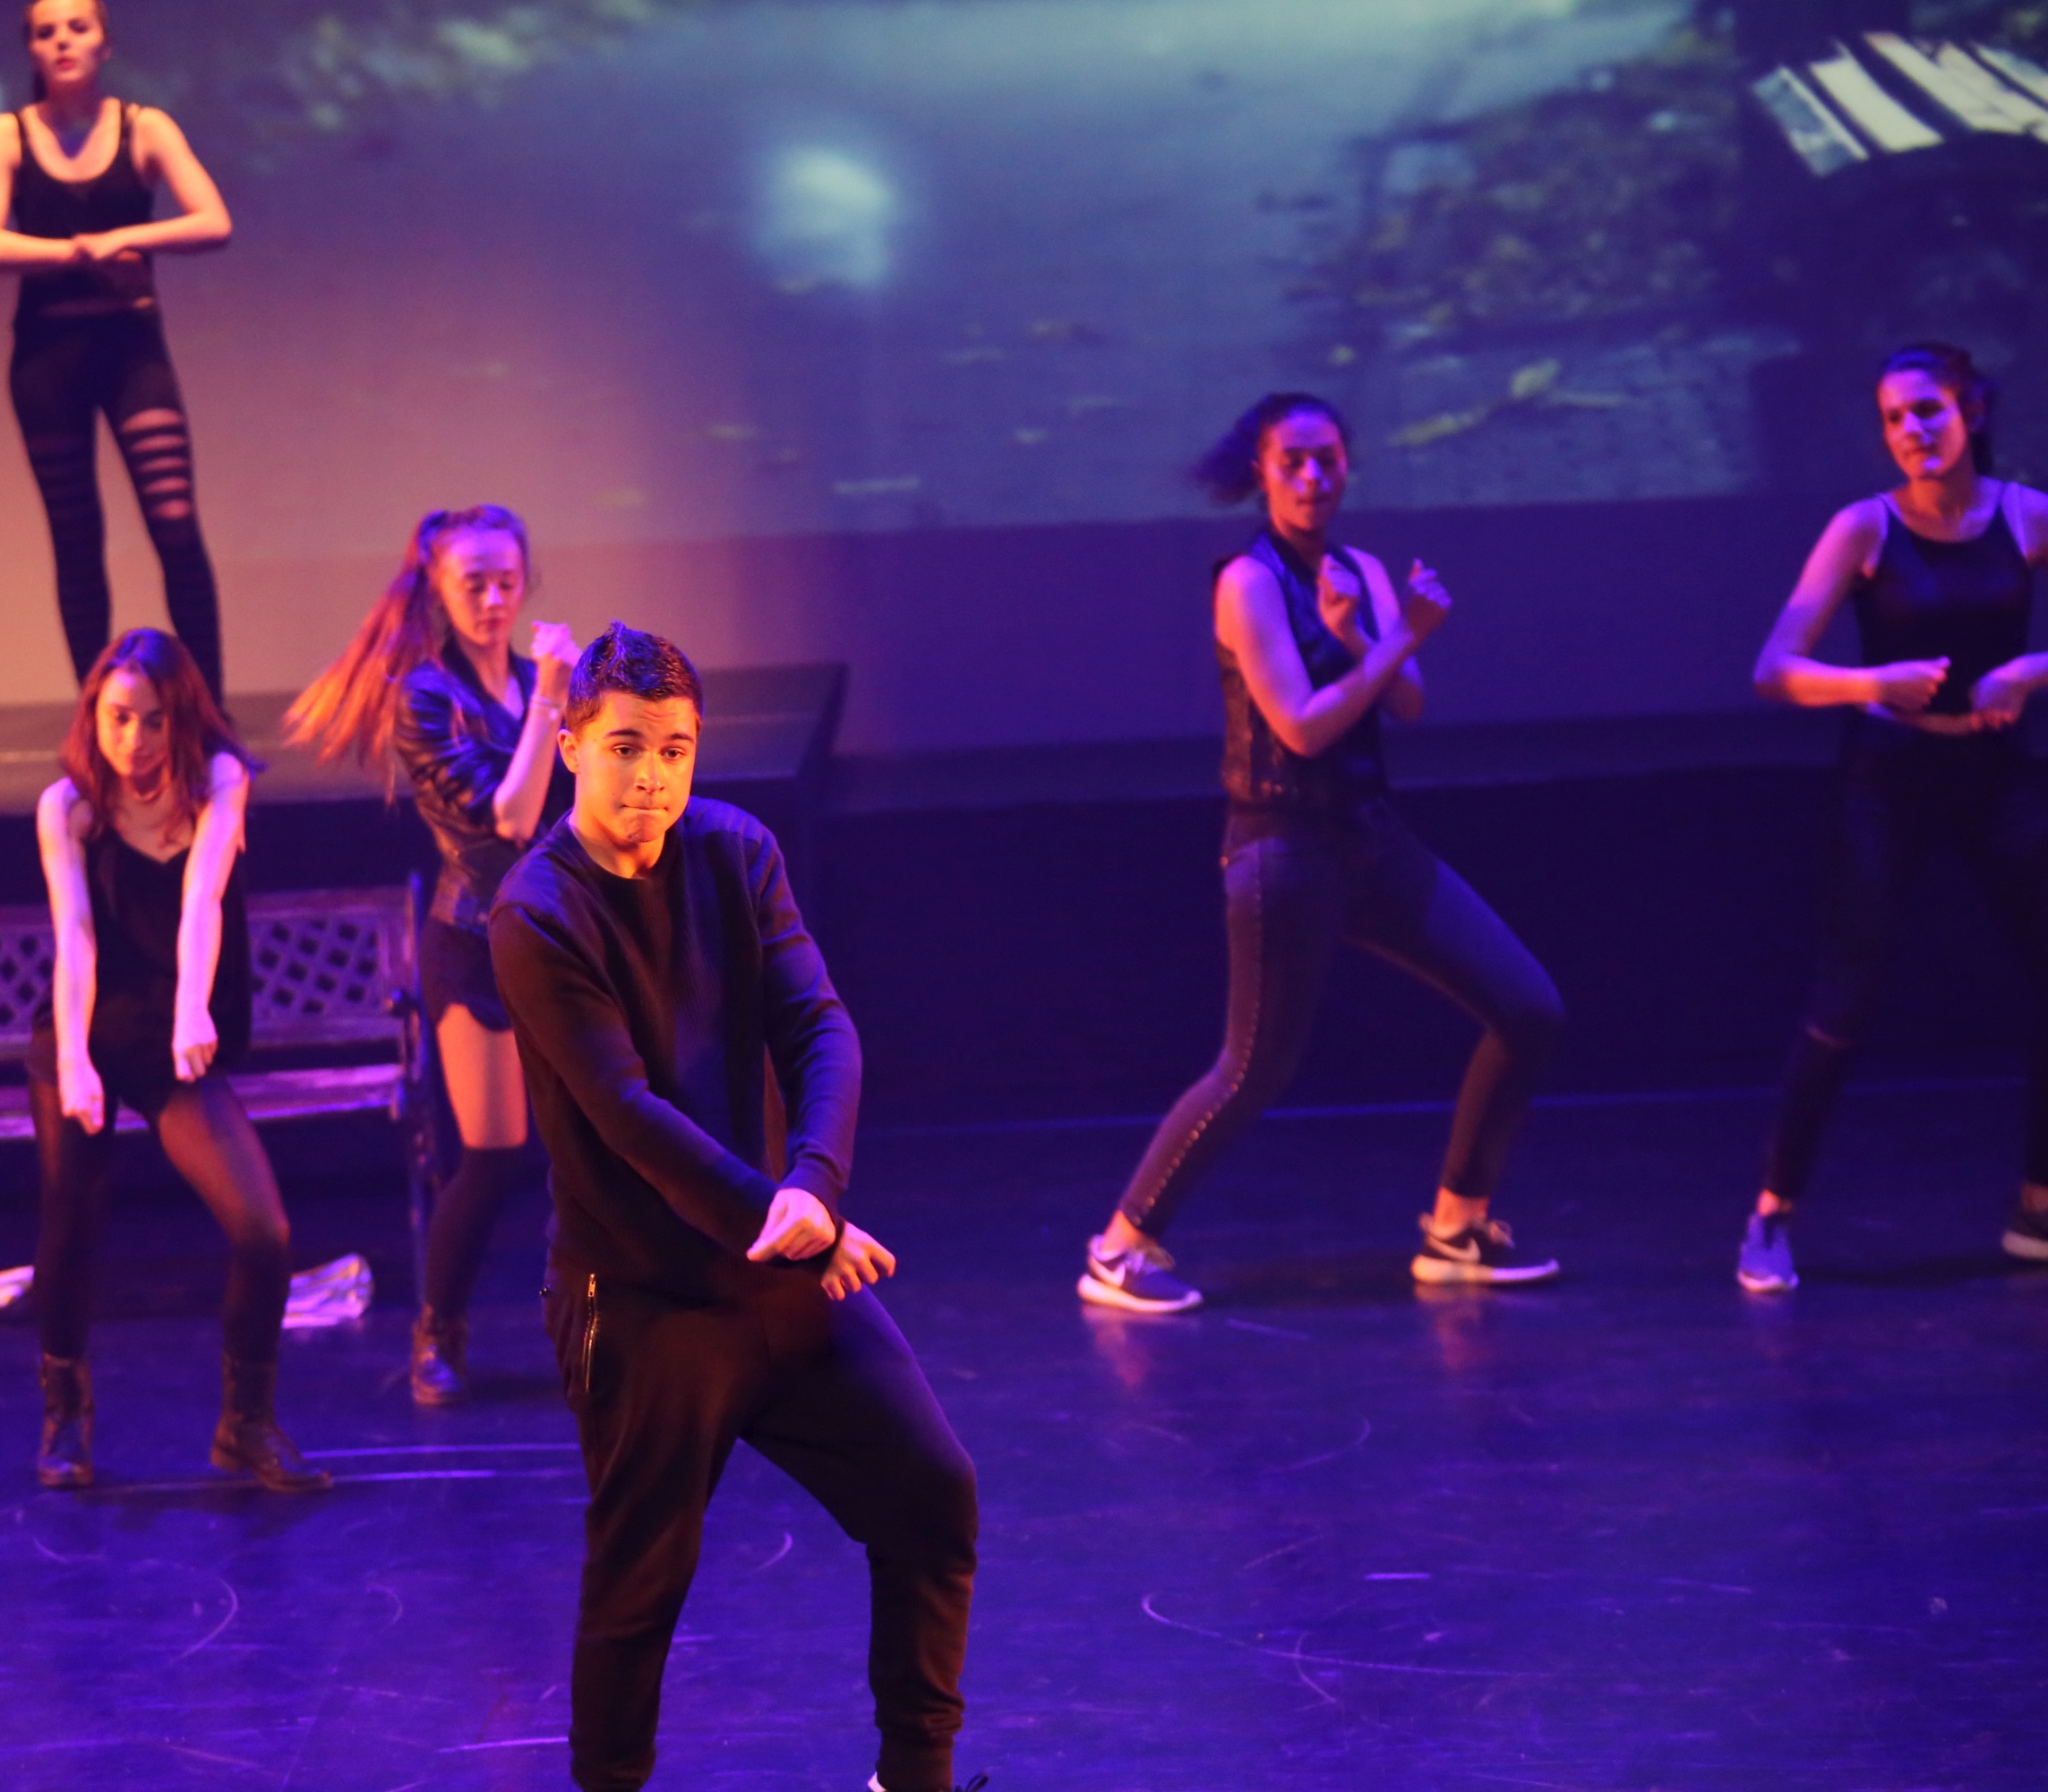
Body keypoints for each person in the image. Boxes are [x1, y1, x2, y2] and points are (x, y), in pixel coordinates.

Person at [490, 623, 980, 1792]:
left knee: (930, 1495)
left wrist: (813, 1186)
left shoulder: (735, 851)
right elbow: (628, 1112)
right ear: (571, 746)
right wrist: (785, 1216)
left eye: (675, 749)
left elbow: (820, 1025)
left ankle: (914, 1778)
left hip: (776, 1267)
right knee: (641, 1584)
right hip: (642, 1298)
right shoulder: (535, 911)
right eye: (625, 747)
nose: (651, 777)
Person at [1078, 394, 1567, 1316]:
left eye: (1328, 458)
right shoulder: (1248, 583)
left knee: (1528, 1007)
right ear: (1261, 475)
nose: (1313, 477)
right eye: (1293, 461)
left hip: (1370, 838)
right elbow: (1301, 728)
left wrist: (1365, 635)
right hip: (1281, 852)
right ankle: (1120, 1247)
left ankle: (1455, 1229)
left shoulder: (1362, 571)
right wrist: (1398, 638)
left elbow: (1407, 702)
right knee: (1253, 1066)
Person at [1736, 343, 2048, 1293]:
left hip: (1996, 772)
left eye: (1928, 411)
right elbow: (1775, 667)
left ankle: (2037, 1207)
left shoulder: (2028, 515)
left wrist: (2031, 671)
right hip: (1890, 778)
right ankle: (1771, 1216)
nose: (1911, 431)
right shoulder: (1864, 528)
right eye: (1894, 418)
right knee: (1845, 997)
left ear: (1972, 413)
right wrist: (1872, 681)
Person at [285, 505, 577, 1403]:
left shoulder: (532, 682)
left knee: (597, 1150)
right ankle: (437, 1330)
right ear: (439, 591)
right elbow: (511, 817)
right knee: (494, 1152)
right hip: (477, 944)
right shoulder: (426, 696)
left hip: (565, 942)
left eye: (507, 581)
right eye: (473, 583)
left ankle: (605, 1329)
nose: (493, 599)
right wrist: (554, 699)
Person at [29, 629, 327, 1492]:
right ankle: (65, 1413)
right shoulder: (68, 806)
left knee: (264, 1231)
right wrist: (75, 1060)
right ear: (94, 716)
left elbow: (203, 900)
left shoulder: (219, 780)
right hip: (89, 1025)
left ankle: (245, 1424)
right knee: (72, 1215)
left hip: (174, 1032)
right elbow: (75, 937)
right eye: (119, 717)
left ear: (182, 717)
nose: (136, 739)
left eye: (155, 719)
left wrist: (194, 1006)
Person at [0, 0, 235, 693]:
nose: (63, 41)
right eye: (46, 32)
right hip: (47, 361)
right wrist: (77, 251)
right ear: (31, 48)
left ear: (104, 44)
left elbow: (213, 221)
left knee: (175, 525)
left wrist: (125, 238)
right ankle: (97, 716)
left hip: (129, 352)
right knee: (77, 538)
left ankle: (208, 711)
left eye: (77, 28)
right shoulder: (7, 134)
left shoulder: (144, 127)